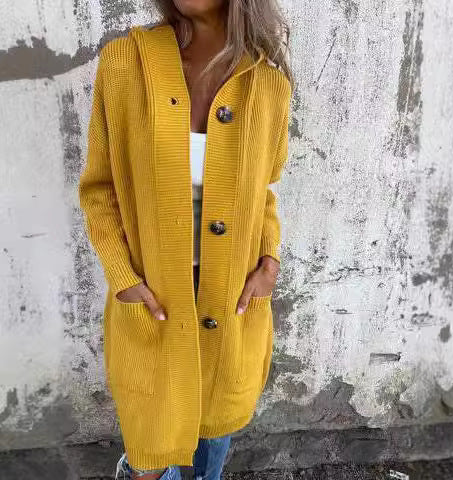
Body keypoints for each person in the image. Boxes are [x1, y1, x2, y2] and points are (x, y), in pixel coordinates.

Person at [78, 0, 293, 478]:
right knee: (151, 454)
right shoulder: (126, 63)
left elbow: (265, 190)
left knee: (212, 436)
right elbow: (99, 189)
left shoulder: (267, 84)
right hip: (153, 297)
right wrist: (123, 278)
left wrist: (269, 262)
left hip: (232, 298)